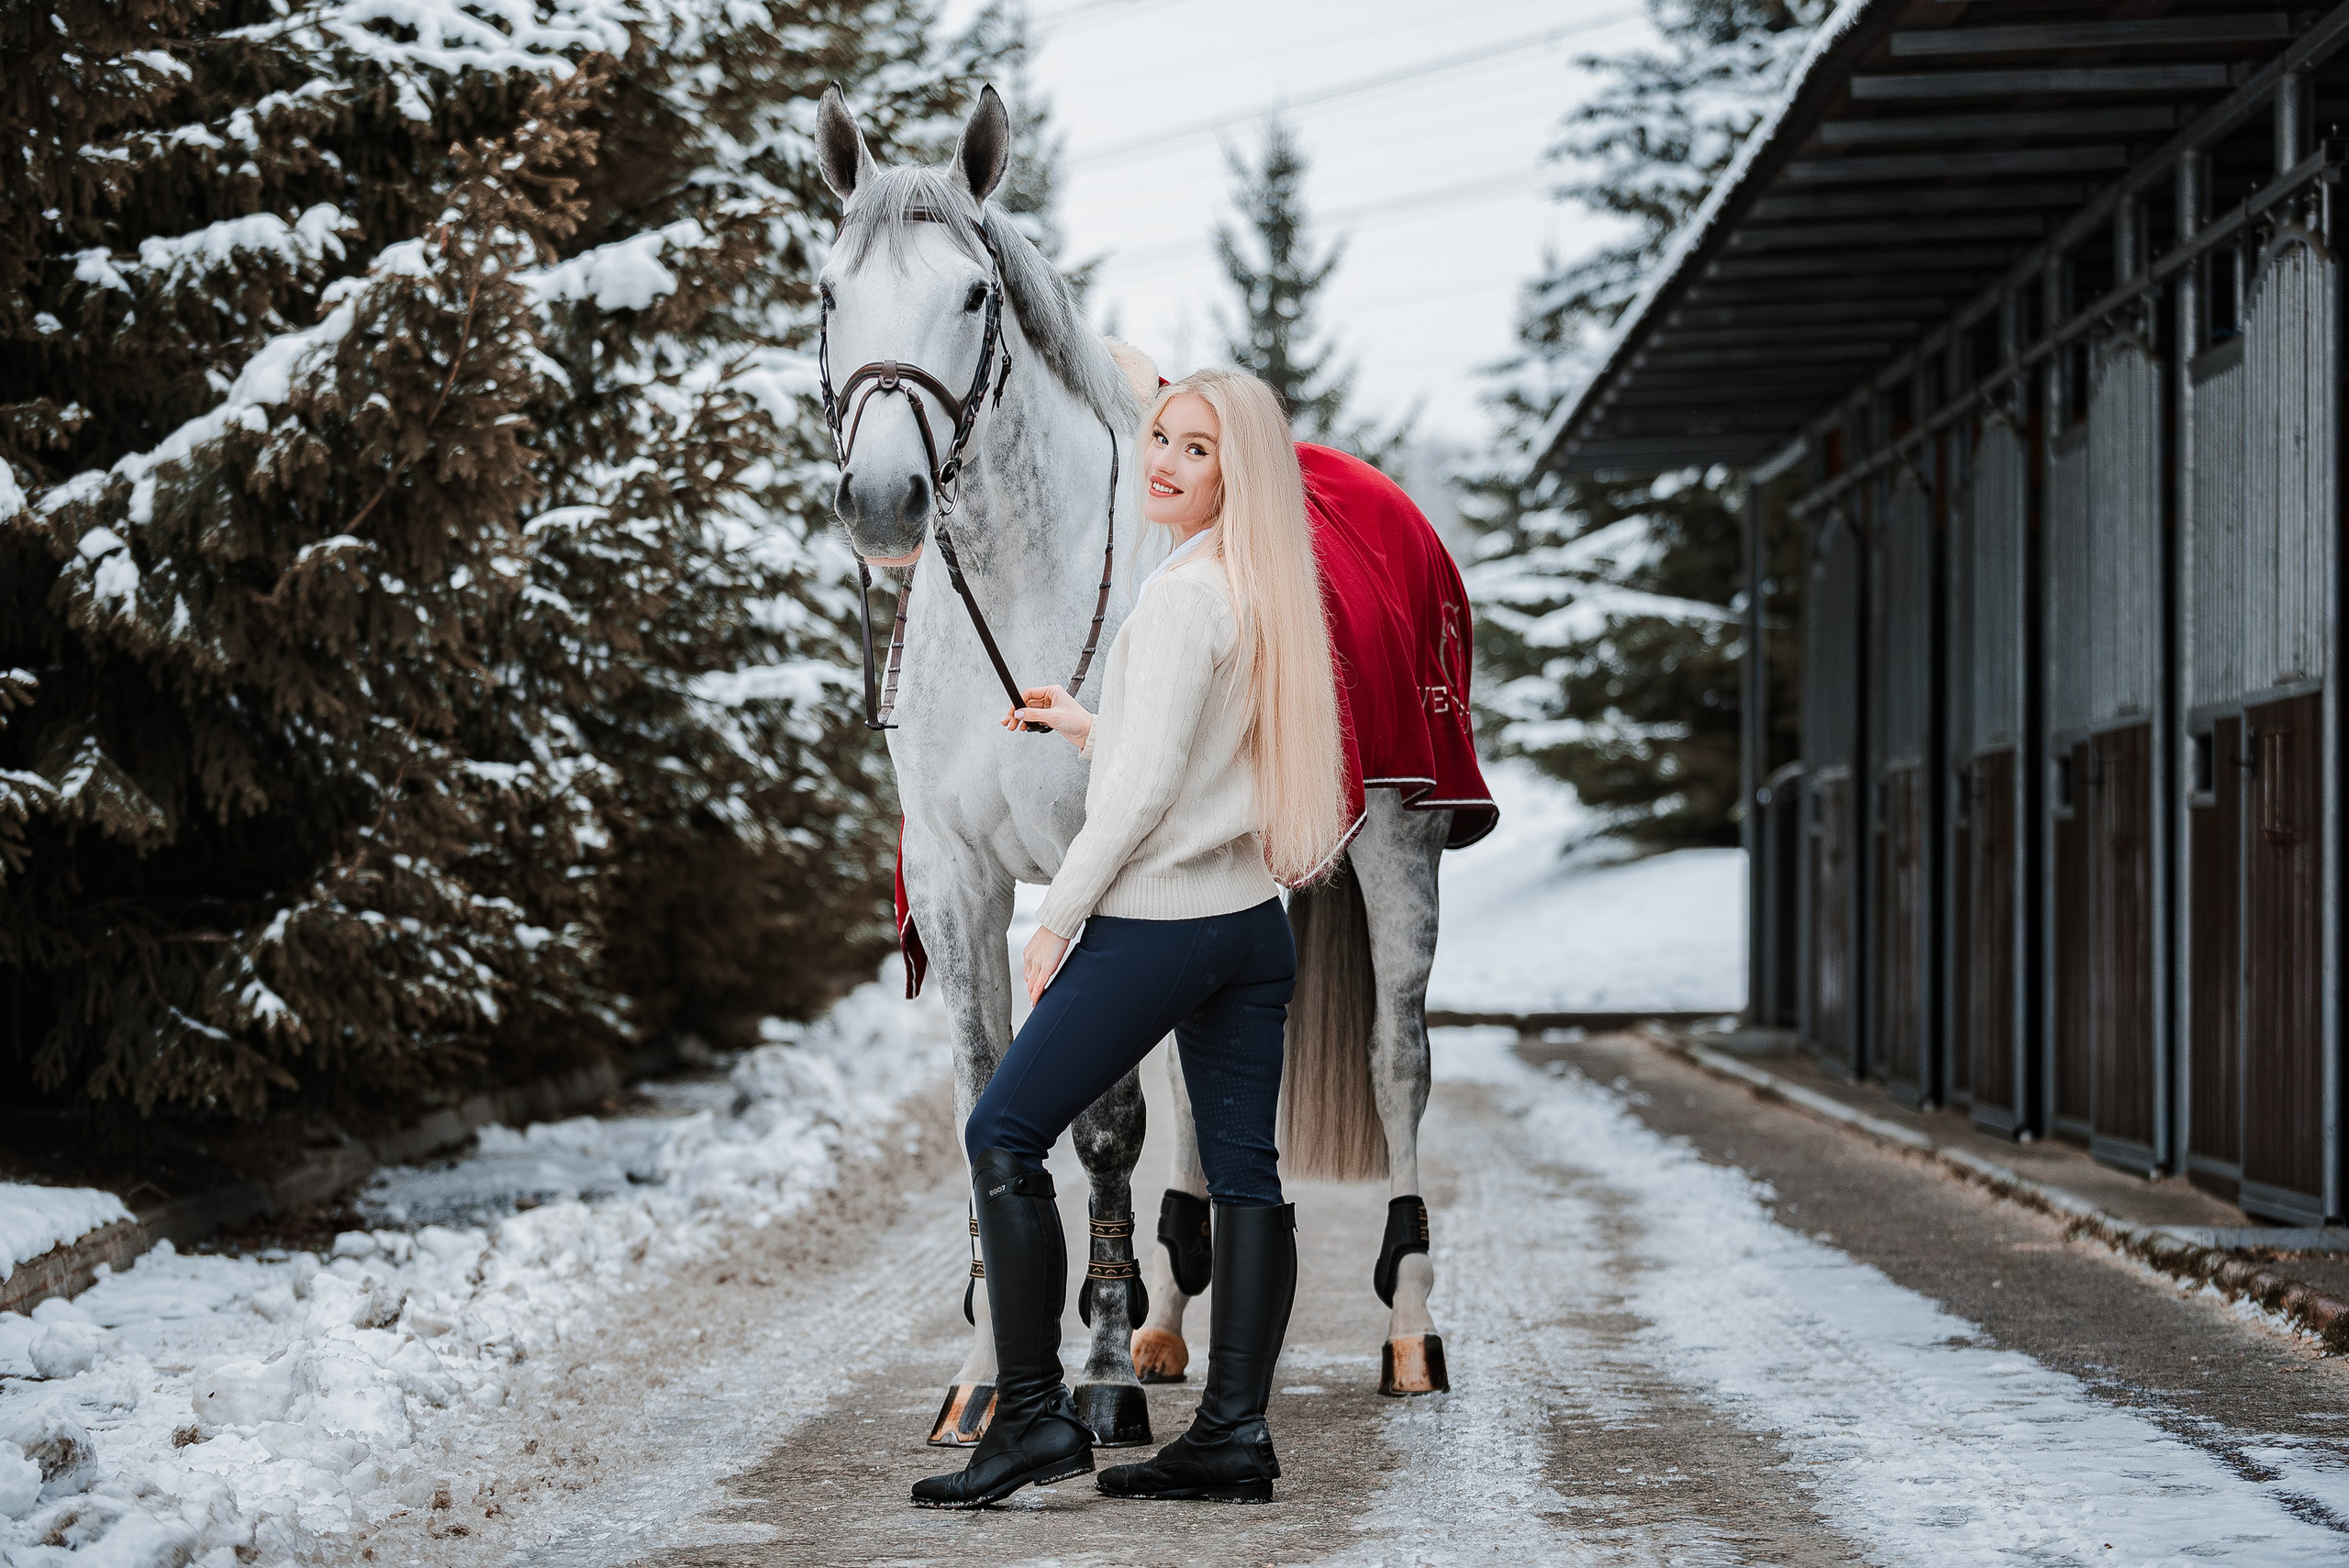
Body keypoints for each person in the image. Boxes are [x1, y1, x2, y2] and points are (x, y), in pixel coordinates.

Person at [910, 367, 1349, 1510]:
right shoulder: (1259, 588)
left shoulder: (1174, 598)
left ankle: (1035, 1419)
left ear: (1235, 471)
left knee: (1003, 1130)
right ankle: (1233, 1435)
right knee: (1247, 1176)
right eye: (1159, 436)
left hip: (1159, 926)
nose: (1162, 460)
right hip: (1250, 927)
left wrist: (1058, 917)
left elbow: (1146, 792)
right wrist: (1090, 722)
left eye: (1197, 449)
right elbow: (1188, 755)